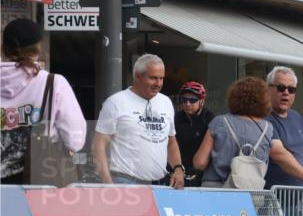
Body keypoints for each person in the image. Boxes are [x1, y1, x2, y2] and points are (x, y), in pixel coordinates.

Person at [193, 77, 303, 189]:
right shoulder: (267, 128)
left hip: (216, 191)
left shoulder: (219, 122)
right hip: (251, 194)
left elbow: (199, 163)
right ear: (263, 100)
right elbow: (281, 154)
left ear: (233, 97)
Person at [1, 18, 86, 183]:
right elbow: (75, 140)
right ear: (39, 48)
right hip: (40, 176)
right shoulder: (54, 83)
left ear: (4, 48)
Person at [93, 53, 185, 188]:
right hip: (125, 181)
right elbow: (98, 146)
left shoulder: (166, 102)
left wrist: (178, 168)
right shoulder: (115, 102)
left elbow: (171, 141)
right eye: (153, 78)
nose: (158, 84)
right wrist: (108, 183)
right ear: (137, 76)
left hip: (160, 182)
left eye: (161, 78)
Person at [173, 80, 214, 187]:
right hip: (178, 171)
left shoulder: (209, 119)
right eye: (184, 99)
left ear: (202, 102)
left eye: (192, 100)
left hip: (202, 174)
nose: (187, 104)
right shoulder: (176, 118)